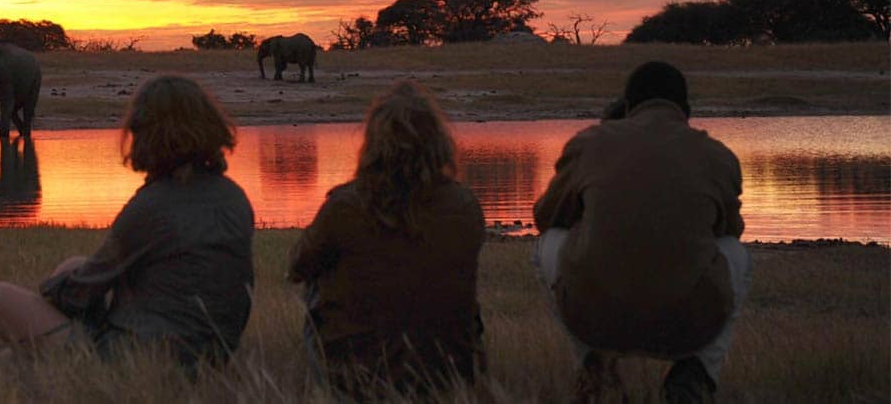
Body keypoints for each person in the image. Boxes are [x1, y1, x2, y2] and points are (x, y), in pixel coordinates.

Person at [0, 74, 255, 367]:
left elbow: (80, 292)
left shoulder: (152, 205)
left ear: (143, 130)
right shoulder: (234, 196)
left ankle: (27, 363)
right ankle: (20, 361)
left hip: (147, 357)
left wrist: (50, 291)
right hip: (215, 352)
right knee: (74, 265)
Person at [532, 61, 749, 403]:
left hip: (594, 320)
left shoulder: (591, 143)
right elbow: (731, 230)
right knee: (735, 253)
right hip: (690, 325)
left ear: (628, 106)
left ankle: (593, 365)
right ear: (687, 111)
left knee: (550, 242)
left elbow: (546, 218)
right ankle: (697, 374)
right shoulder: (718, 156)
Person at [288, 80, 485, 399]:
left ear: (372, 143)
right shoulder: (465, 205)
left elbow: (297, 267)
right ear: (439, 142)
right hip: (450, 370)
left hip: (358, 371)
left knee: (315, 284)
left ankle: (334, 389)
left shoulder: (345, 204)